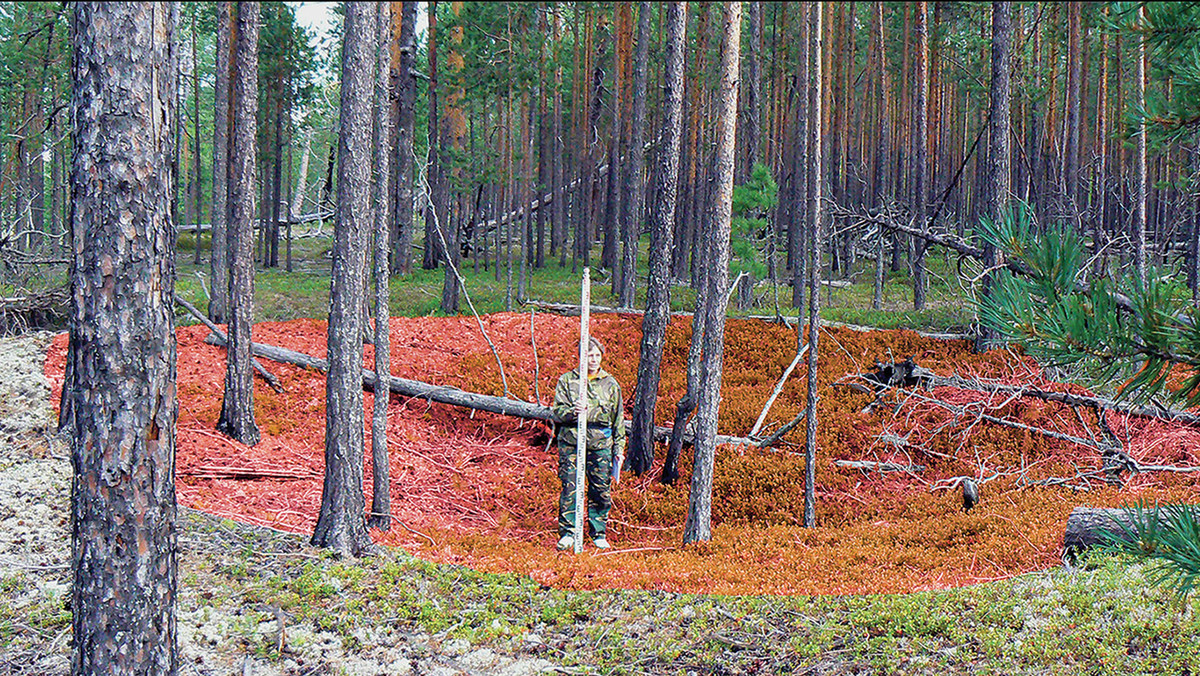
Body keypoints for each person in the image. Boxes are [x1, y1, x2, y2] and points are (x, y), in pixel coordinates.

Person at [551, 336, 625, 551]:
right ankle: (568, 533)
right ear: (581, 356)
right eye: (589, 355)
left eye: (597, 355)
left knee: (600, 489)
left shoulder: (611, 384)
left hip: (601, 445)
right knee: (570, 487)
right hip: (571, 443)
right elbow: (557, 413)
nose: (593, 359)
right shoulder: (567, 380)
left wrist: (618, 449)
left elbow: (618, 419)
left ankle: (598, 532)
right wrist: (573, 412)